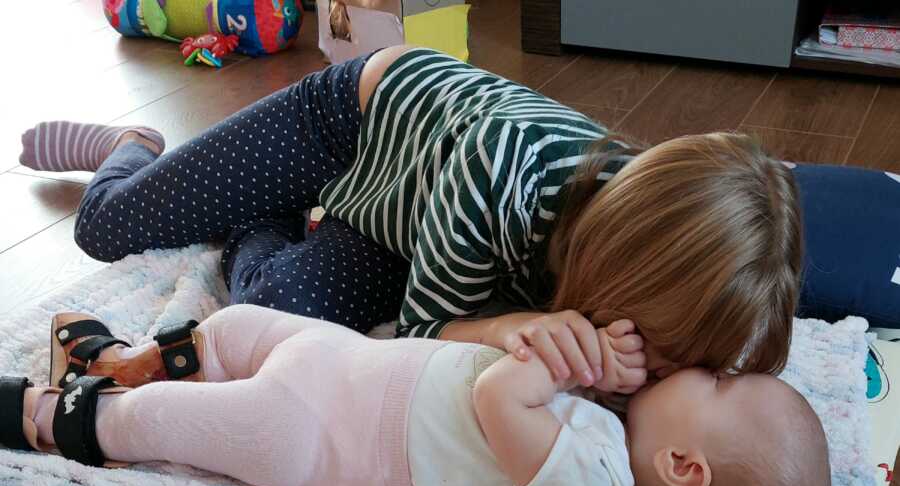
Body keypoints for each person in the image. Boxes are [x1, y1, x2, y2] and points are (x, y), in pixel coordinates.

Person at [18, 47, 899, 389]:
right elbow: (428, 329)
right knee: (111, 227)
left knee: (276, 315)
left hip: (411, 218)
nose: (644, 374)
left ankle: (284, 219)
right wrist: (520, 326)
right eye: (649, 350)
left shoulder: (667, 263)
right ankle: (135, 142)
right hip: (348, 128)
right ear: (608, 278)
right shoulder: (504, 169)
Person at [1, 304, 829, 486]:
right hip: (348, 358)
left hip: (312, 431)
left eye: (718, 382)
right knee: (231, 326)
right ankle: (125, 359)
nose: (698, 366)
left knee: (157, 425)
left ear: (684, 467)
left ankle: (49, 414)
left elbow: (501, 398)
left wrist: (574, 358)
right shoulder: (605, 436)